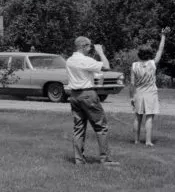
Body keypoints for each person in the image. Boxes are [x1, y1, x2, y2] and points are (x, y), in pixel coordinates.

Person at [66, 36, 120, 166]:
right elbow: (106, 66)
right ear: (83, 46)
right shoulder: (85, 60)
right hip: (88, 94)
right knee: (101, 126)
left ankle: (79, 159)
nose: (91, 49)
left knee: (78, 128)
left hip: (74, 95)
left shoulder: (70, 60)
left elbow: (90, 67)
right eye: (89, 46)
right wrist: (101, 52)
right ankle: (105, 159)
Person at [130, 28, 169, 146]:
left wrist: (131, 97)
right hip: (151, 93)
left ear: (139, 54)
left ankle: (136, 140)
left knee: (137, 117)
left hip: (138, 93)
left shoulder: (134, 65)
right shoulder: (152, 63)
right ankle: (148, 141)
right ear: (149, 54)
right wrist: (163, 36)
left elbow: (132, 83)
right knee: (149, 118)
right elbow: (160, 50)